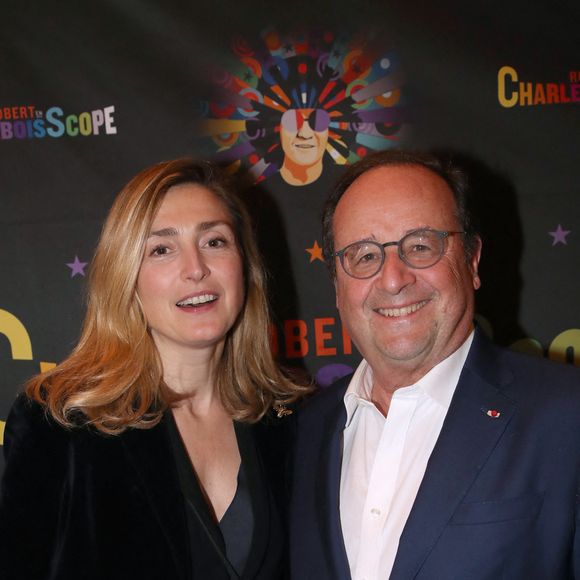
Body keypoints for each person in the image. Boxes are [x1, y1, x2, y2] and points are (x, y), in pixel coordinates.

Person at [0, 158, 307, 580]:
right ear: (127, 278)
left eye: (215, 241)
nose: (196, 268)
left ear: (245, 265)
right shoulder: (60, 423)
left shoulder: (288, 421)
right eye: (161, 249)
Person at [290, 150, 580, 579]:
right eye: (365, 255)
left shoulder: (566, 416)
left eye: (421, 246)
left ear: (473, 260)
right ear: (337, 284)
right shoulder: (306, 429)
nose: (393, 279)